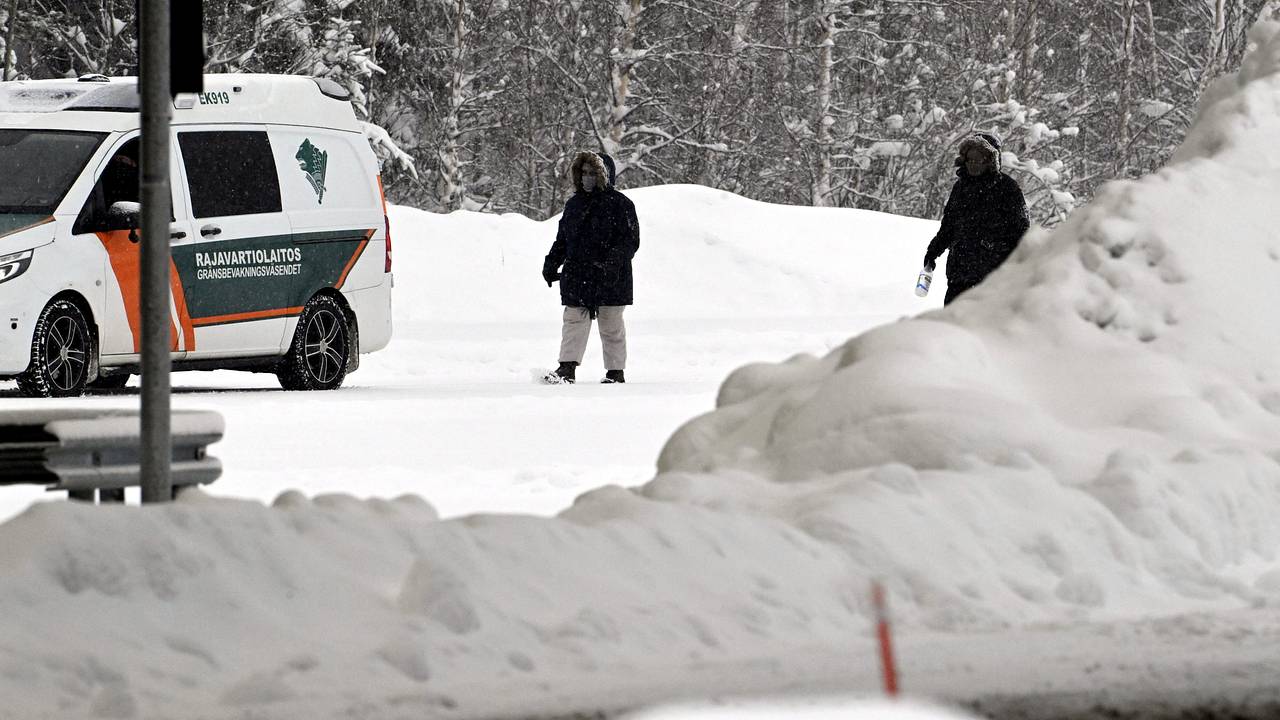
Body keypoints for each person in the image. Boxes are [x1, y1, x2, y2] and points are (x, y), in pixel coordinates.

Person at [541, 150, 640, 384]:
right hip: (577, 274)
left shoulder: (621, 205)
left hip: (610, 276)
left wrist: (612, 264)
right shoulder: (574, 205)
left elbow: (630, 241)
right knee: (574, 320)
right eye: (583, 173)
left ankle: (615, 373)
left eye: (592, 173)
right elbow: (563, 239)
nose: (586, 177)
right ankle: (567, 368)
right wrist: (552, 261)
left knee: (611, 324)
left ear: (603, 175)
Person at [923, 132, 1030, 305]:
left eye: (978, 158)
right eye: (969, 158)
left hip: (992, 279)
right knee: (953, 328)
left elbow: (1022, 234)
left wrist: (997, 251)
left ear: (990, 161)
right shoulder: (960, 187)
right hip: (958, 275)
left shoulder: (1008, 189)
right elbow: (949, 226)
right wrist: (933, 251)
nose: (973, 163)